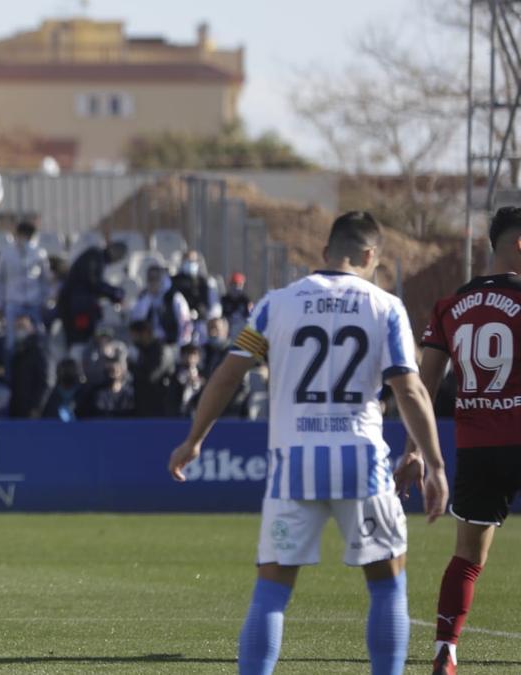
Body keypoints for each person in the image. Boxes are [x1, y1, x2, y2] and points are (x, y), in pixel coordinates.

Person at [167, 211, 448, 675]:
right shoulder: (385, 306)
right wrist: (433, 463)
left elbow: (226, 376)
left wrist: (194, 439)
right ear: (369, 255)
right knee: (386, 584)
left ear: (325, 253)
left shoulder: (275, 305)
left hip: (292, 464)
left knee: (272, 590)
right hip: (362, 462)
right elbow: (409, 389)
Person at [415, 206, 521, 674]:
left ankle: (445, 649)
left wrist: (414, 450)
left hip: (477, 449)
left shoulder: (451, 304)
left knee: (467, 558)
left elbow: (424, 383)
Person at [55, 239, 127, 345]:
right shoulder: (95, 255)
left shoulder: (99, 259)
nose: (117, 257)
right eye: (117, 252)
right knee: (78, 340)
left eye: (120, 256)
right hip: (76, 307)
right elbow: (93, 282)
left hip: (79, 305)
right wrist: (115, 293)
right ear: (110, 247)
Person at [0, 221, 51, 347]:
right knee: (11, 343)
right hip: (13, 304)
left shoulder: (39, 254)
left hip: (34, 304)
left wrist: (44, 300)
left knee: (38, 340)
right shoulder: (6, 254)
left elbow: (45, 280)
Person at [132, 265, 192, 346]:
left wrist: (180, 345)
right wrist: (148, 297)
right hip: (150, 345)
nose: (152, 282)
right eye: (150, 279)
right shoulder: (144, 296)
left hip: (171, 344)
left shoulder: (174, 297)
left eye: (155, 278)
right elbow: (137, 318)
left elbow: (185, 324)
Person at [5, 316, 51, 419]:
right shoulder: (17, 351)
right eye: (17, 327)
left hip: (32, 412)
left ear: (32, 328)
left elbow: (44, 383)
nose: (20, 330)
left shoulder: (39, 350)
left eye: (23, 326)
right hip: (17, 411)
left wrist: (36, 408)